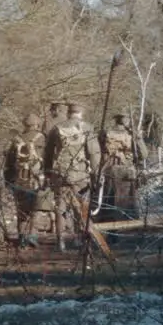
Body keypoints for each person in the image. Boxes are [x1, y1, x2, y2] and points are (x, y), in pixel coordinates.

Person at [43, 103, 99, 247]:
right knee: (80, 206)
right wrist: (95, 172)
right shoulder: (88, 128)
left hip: (60, 174)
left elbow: (48, 153)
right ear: (81, 113)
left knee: (60, 207)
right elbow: (93, 153)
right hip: (80, 175)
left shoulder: (56, 128)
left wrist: (47, 172)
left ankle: (60, 241)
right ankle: (78, 238)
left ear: (68, 113)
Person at [4, 113, 48, 247]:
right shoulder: (42, 138)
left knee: (21, 209)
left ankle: (22, 238)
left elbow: (9, 162)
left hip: (19, 178)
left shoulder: (17, 139)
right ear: (37, 124)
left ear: (24, 124)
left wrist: (8, 180)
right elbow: (48, 158)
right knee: (35, 208)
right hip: (36, 179)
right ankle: (32, 236)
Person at [99, 113, 142, 217]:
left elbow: (98, 151)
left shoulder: (105, 133)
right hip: (127, 168)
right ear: (126, 121)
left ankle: (108, 218)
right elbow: (144, 154)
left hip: (109, 168)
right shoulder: (132, 134)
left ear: (115, 120)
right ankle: (129, 219)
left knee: (108, 196)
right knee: (128, 197)